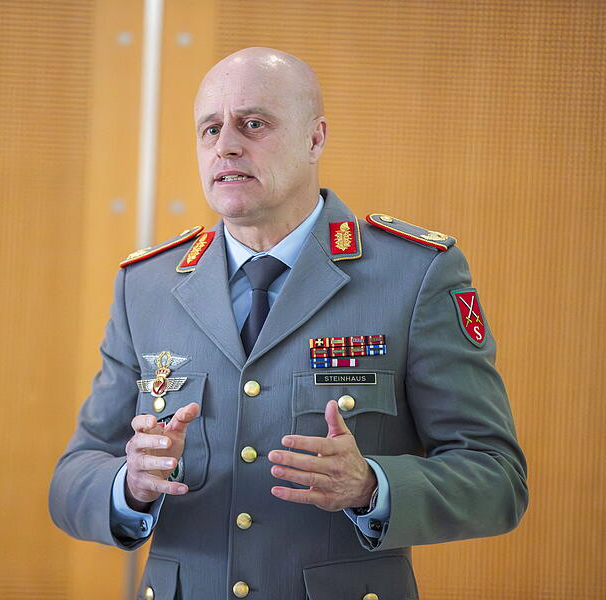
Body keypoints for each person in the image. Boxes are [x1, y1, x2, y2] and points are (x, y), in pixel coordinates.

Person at [49, 47, 527, 600]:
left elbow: (497, 480)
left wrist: (372, 485)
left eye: (253, 124)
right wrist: (127, 486)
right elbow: (72, 477)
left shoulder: (414, 273)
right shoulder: (147, 285)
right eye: (210, 129)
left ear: (315, 138)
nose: (226, 144)